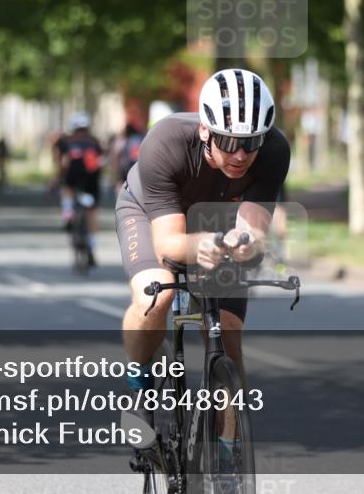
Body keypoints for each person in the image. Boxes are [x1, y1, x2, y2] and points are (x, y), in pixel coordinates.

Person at [116, 68, 289, 445]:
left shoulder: (274, 149)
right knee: (155, 293)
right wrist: (201, 246)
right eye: (229, 141)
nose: (241, 155)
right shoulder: (165, 142)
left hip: (216, 217)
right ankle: (139, 382)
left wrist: (246, 243)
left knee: (228, 328)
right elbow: (169, 243)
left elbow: (255, 226)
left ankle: (228, 454)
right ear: (206, 131)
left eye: (251, 141)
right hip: (149, 212)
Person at [58, 112, 103, 265]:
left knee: (67, 188)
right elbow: (101, 160)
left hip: (73, 173)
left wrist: (58, 177)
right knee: (92, 211)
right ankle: (91, 245)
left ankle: (68, 213)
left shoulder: (67, 141)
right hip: (91, 177)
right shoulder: (94, 141)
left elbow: (62, 161)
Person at [110, 122, 145, 193]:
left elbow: (116, 156)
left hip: (124, 168)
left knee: (122, 188)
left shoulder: (122, 140)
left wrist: (115, 170)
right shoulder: (139, 139)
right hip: (136, 169)